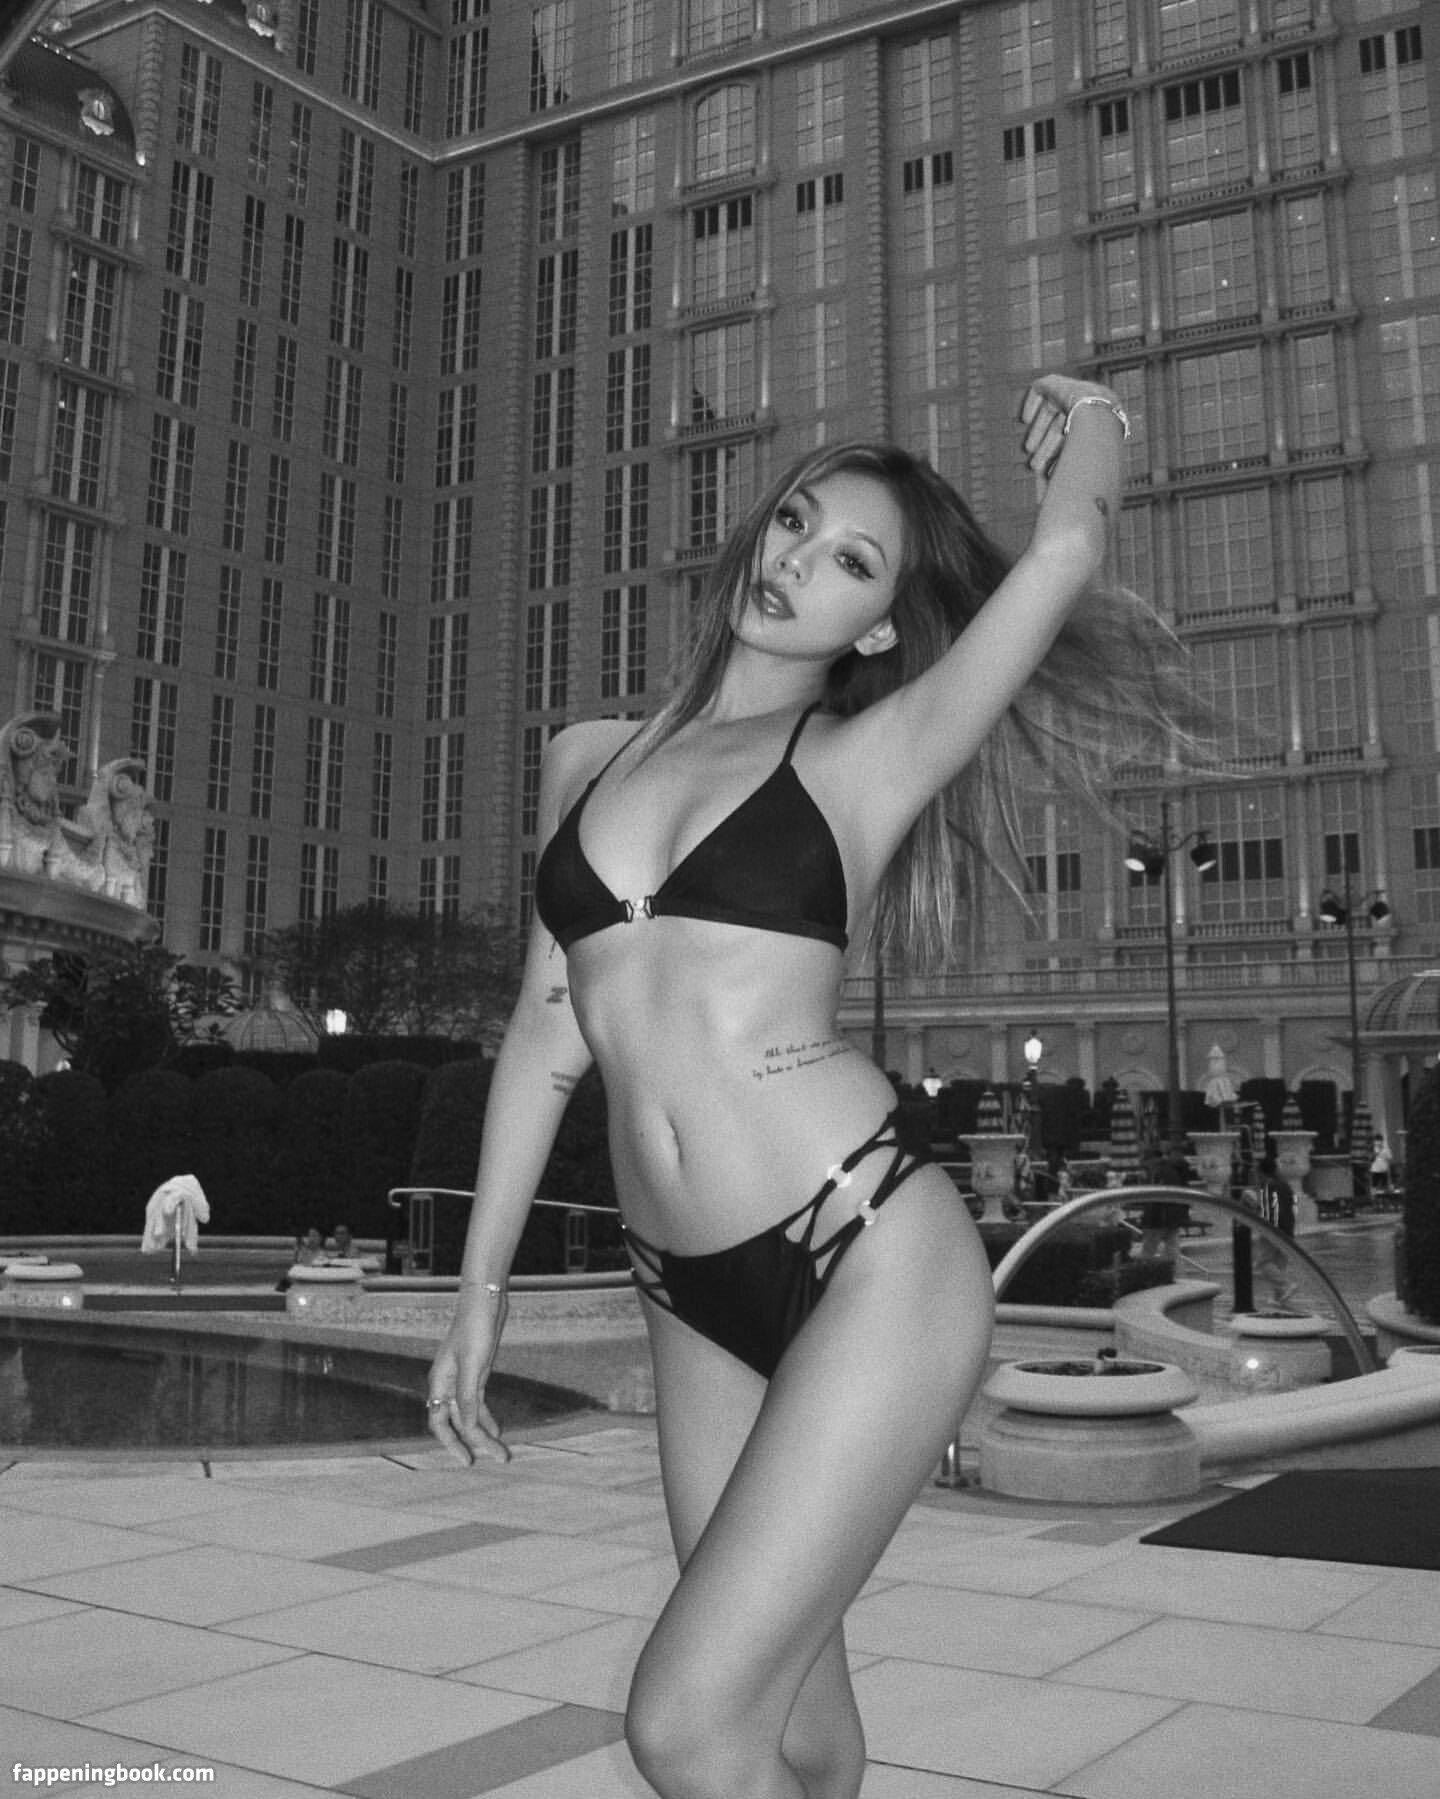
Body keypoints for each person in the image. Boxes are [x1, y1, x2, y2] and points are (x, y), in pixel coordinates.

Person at [427, 373, 1204, 1799]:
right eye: (795, 521)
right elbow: (545, 1031)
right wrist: (478, 1292)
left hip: (868, 1252)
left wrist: (1094, 417)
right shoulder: (585, 759)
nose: (796, 561)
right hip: (683, 1286)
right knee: (791, 1730)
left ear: (883, 624)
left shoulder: (864, 756)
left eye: (850, 559)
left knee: (687, 1726)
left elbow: (1066, 550)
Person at [1246, 1153, 1298, 1309]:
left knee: (1263, 1262)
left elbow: (1272, 1209)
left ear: (1262, 1172)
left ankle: (1285, 1285)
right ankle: (1279, 1297)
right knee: (1278, 1263)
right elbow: (1290, 1206)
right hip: (1287, 1228)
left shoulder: (1269, 1186)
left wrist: (1260, 1214)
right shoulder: (1284, 1185)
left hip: (1273, 1228)